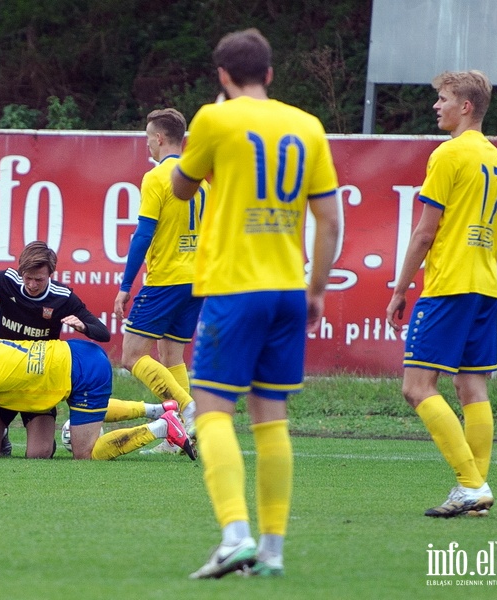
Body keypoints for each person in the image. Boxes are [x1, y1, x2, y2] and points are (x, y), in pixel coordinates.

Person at [170, 28, 340, 579]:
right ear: (269, 73)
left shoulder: (215, 119)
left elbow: (179, 186)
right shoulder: (307, 126)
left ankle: (234, 536)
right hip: (289, 289)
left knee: (213, 407)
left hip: (235, 287)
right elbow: (331, 218)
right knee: (272, 419)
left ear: (223, 75)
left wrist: (210, 129)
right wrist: (316, 289)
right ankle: (271, 550)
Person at [386, 70, 497, 519]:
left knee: (417, 387)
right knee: (471, 386)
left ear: (465, 107)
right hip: (484, 284)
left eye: (443, 99)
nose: (437, 106)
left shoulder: (449, 154)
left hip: (450, 283)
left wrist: (400, 288)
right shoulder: (494, 157)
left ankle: (472, 485)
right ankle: (474, 493)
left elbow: (424, 232)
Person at [0, 241, 176, 458]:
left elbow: (103, 332)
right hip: (3, 380)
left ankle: (47, 435)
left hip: (38, 382)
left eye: (39, 279)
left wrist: (83, 326)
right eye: (27, 278)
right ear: (21, 273)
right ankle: (2, 432)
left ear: (51, 274)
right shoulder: (4, 281)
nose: (32, 284)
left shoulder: (62, 297)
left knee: (39, 454)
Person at [0, 328, 195, 461]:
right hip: (78, 353)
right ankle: (158, 409)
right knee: (78, 423)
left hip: (81, 372)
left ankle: (161, 427)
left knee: (86, 453)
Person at [113, 108, 208, 455]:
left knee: (132, 355)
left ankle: (188, 408)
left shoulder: (156, 178)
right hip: (197, 279)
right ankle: (180, 438)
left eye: (147, 138)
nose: (147, 146)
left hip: (167, 278)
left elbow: (143, 234)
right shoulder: (202, 182)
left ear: (159, 138)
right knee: (172, 357)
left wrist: (125, 286)